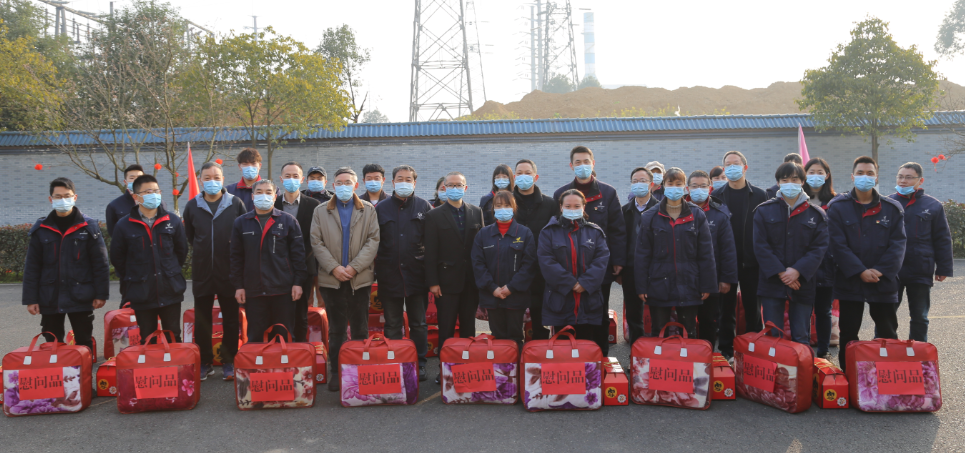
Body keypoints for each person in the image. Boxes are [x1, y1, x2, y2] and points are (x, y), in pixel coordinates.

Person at [827, 156, 906, 373]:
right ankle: (849, 376)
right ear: (853, 177)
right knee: (848, 333)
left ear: (876, 177)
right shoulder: (838, 207)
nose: (865, 177)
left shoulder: (892, 208)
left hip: (883, 281)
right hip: (850, 280)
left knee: (887, 333)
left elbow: (898, 244)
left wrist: (880, 270)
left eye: (870, 173)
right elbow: (836, 244)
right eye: (860, 173)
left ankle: (888, 375)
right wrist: (859, 271)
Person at [311, 168, 380, 391]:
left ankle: (359, 369)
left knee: (360, 328)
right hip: (331, 279)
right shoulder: (321, 210)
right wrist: (334, 268)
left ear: (356, 185)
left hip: (359, 278)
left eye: (348, 182)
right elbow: (316, 242)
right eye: (339, 182)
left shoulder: (368, 209)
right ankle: (337, 371)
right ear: (333, 185)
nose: (343, 186)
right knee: (336, 329)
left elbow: (373, 240)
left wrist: (353, 267)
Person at [553, 146, 626, 355]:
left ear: (593, 163)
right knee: (568, 313)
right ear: (571, 166)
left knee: (598, 313)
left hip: (598, 267)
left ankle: (599, 357)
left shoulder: (608, 193)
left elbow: (617, 229)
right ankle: (569, 357)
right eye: (578, 162)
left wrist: (618, 261)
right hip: (569, 266)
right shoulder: (560, 194)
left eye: (586, 161)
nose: (582, 165)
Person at [23, 178, 109, 354]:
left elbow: (100, 263)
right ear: (51, 199)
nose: (63, 200)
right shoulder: (41, 229)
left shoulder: (89, 227)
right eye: (58, 196)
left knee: (84, 342)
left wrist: (101, 294)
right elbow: (32, 267)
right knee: (52, 344)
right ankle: (58, 371)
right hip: (49, 296)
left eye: (67, 196)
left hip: (81, 294)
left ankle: (84, 372)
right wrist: (31, 299)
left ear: (75, 197)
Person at [182, 162, 248, 380]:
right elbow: (191, 236)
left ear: (223, 179)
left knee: (231, 319)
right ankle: (205, 362)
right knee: (202, 320)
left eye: (216, 177)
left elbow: (243, 234)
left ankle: (229, 361)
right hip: (203, 272)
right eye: (207, 178)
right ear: (201, 180)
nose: (212, 181)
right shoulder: (192, 206)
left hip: (229, 271)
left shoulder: (235, 203)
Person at [752, 162, 830, 345]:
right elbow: (760, 246)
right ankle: (776, 365)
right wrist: (781, 272)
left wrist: (797, 271)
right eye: (785, 180)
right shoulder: (763, 211)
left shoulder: (816, 214)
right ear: (778, 183)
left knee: (801, 335)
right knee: (773, 335)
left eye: (795, 179)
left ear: (803, 181)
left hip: (802, 282)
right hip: (772, 281)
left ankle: (801, 364)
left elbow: (819, 248)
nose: (790, 184)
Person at [635, 168, 717, 338]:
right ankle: (661, 357)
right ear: (664, 186)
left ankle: (687, 357)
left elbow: (706, 254)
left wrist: (707, 285)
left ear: (685, 187)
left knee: (689, 331)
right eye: (670, 183)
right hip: (659, 283)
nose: (674, 187)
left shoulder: (697, 215)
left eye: (678, 184)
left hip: (689, 283)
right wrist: (641, 286)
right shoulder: (649, 216)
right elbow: (642, 255)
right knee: (659, 331)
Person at [110, 174, 188, 342]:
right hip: (141, 291)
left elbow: (181, 252)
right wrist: (134, 276)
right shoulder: (124, 225)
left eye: (156, 191)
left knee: (173, 336)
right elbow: (118, 258)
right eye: (148, 192)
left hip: (170, 289)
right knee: (147, 338)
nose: (154, 195)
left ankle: (173, 360)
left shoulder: (173, 220)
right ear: (136, 197)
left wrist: (170, 270)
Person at [229, 180, 307, 344]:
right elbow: (236, 257)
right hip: (254, 291)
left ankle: (284, 362)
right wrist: (238, 286)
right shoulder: (241, 223)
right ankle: (258, 362)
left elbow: (298, 256)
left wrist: (298, 283)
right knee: (256, 338)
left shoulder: (288, 221)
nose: (263, 195)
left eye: (268, 192)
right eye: (259, 192)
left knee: (284, 336)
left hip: (283, 290)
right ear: (252, 196)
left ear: (275, 196)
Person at [426, 171, 485, 383]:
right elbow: (430, 252)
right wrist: (433, 282)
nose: (454, 188)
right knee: (447, 328)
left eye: (458, 185)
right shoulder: (434, 215)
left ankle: (467, 368)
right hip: (446, 281)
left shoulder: (476, 212)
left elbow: (481, 248)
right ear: (444, 188)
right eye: (450, 185)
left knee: (469, 328)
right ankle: (444, 370)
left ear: (465, 188)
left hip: (471, 281)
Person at [375, 165, 432, 381]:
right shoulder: (381, 208)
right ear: (392, 182)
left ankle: (420, 362)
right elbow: (374, 241)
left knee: (419, 323)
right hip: (389, 274)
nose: (404, 182)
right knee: (392, 323)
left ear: (414, 183)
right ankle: (395, 360)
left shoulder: (424, 206)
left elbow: (431, 242)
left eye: (409, 179)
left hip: (417, 274)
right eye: (400, 179)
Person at [888, 162, 953, 342]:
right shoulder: (888, 203)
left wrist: (943, 268)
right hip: (892, 270)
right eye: (900, 177)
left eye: (909, 177)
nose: (903, 181)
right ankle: (885, 350)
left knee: (920, 316)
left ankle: (917, 352)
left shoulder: (933, 205)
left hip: (920, 268)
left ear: (920, 180)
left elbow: (942, 238)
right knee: (886, 314)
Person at [715, 150, 768, 360]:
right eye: (728, 164)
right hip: (726, 262)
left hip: (751, 262)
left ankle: (753, 350)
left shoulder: (760, 195)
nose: (732, 167)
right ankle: (726, 350)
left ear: (745, 167)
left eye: (735, 163)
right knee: (726, 309)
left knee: (752, 308)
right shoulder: (716, 196)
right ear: (724, 169)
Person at [538, 189, 610, 341]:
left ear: (584, 207)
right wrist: (570, 283)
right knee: (563, 347)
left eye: (577, 206)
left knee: (587, 345)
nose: (572, 209)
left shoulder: (594, 232)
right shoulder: (549, 232)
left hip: (588, 300)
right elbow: (547, 261)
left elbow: (601, 260)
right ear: (561, 207)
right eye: (568, 206)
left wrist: (585, 283)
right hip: (560, 299)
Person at [471, 191, 537, 350]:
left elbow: (529, 264)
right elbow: (478, 264)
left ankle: (516, 365)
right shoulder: (483, 234)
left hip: (516, 296)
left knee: (515, 336)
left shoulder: (524, 233)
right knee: (497, 337)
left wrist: (511, 288)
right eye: (498, 205)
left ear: (514, 207)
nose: (503, 209)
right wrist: (493, 288)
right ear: (493, 209)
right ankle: (501, 365)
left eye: (507, 205)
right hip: (492, 296)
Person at [686, 170, 738, 348]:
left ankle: (706, 355)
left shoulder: (720, 214)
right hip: (684, 278)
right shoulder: (678, 209)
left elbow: (728, 250)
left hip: (711, 279)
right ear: (687, 188)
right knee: (685, 322)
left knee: (709, 321)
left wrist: (726, 279)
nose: (698, 189)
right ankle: (686, 356)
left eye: (703, 186)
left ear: (710, 188)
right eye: (694, 186)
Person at [274, 162, 322, 342]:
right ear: (281, 179)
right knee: (279, 313)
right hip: (277, 268)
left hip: (304, 266)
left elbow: (315, 237)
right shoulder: (274, 203)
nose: (291, 179)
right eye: (287, 176)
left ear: (302, 179)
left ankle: (300, 349)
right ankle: (280, 348)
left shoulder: (313, 204)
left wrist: (298, 260)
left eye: (295, 176)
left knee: (301, 313)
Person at [513, 159, 559, 340]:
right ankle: (513, 348)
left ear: (536, 176)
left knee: (539, 310)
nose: (523, 176)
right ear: (514, 176)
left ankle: (540, 347)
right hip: (513, 266)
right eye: (519, 173)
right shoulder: (506, 203)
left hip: (541, 267)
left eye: (528, 173)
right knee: (513, 311)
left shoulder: (550, 204)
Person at [803, 157, 837, 358]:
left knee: (824, 311)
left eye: (819, 172)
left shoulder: (835, 202)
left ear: (827, 175)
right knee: (803, 311)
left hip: (826, 266)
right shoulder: (798, 200)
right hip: (802, 266)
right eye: (811, 172)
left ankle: (823, 352)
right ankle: (803, 352)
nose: (815, 176)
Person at [621, 167, 659, 344]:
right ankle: (637, 348)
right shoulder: (625, 211)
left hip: (656, 267)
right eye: (635, 181)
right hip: (631, 267)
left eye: (643, 181)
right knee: (633, 311)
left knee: (658, 310)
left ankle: (658, 348)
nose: (639, 184)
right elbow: (620, 239)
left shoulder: (661, 209)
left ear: (651, 184)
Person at [105, 164, 145, 236]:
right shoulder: (114, 206)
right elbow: (113, 233)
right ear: (125, 182)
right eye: (132, 178)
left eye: (139, 178)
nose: (136, 181)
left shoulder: (156, 203)